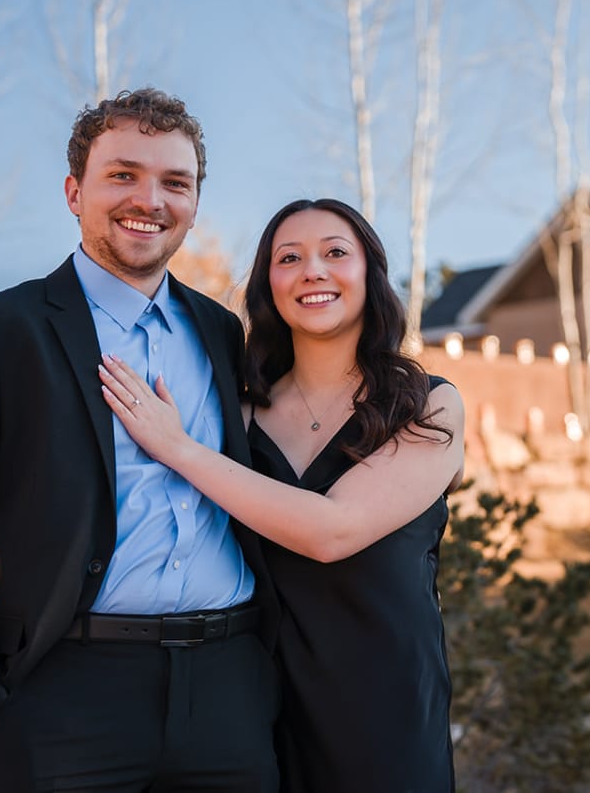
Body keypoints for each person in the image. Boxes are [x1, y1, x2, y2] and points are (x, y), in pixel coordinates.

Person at [0, 88, 280, 791]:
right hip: (62, 700)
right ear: (73, 192)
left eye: (174, 182)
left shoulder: (222, 332)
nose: (149, 198)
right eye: (123, 174)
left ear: (195, 202)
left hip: (228, 693)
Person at [97, 197, 464, 791]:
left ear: (369, 272)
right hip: (254, 711)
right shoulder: (237, 415)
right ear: (269, 285)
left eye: (335, 253)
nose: (313, 270)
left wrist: (181, 450)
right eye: (289, 258)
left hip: (386, 712)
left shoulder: (427, 405)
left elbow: (332, 531)